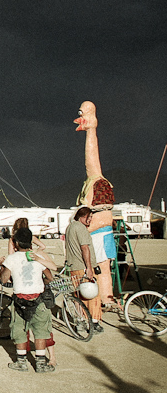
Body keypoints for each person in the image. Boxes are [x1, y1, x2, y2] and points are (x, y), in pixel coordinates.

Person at [74, 101, 117, 309]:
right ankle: (106, 296)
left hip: (99, 231)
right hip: (101, 231)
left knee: (98, 265)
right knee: (103, 266)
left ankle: (104, 297)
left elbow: (104, 216)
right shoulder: (98, 184)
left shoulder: (98, 184)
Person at [2, 228, 59, 373]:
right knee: (40, 330)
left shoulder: (11, 259)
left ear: (16, 243)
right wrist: (41, 281)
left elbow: (3, 280)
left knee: (19, 330)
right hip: (38, 299)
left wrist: (1, 265)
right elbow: (50, 277)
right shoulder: (36, 256)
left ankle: (21, 362)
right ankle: (40, 363)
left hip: (20, 300)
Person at [65, 206, 102, 332]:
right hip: (83, 267)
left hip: (73, 267)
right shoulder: (80, 228)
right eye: (89, 217)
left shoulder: (70, 227)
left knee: (78, 295)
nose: (90, 220)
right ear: (82, 216)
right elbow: (84, 248)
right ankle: (94, 322)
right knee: (92, 295)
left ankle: (79, 321)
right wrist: (89, 268)